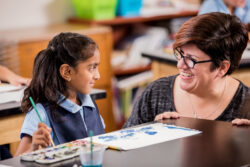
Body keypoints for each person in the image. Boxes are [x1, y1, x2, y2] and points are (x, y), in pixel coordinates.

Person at [123, 12, 250, 128]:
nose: (180, 64)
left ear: (222, 68)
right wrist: (148, 132)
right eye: (180, 53)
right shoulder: (156, 93)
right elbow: (123, 145)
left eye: (191, 59)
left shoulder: (246, 104)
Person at [15, 32, 105, 156]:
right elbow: (15, 163)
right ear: (67, 72)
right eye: (91, 68)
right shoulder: (40, 113)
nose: (98, 76)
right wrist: (33, 150)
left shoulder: (89, 104)